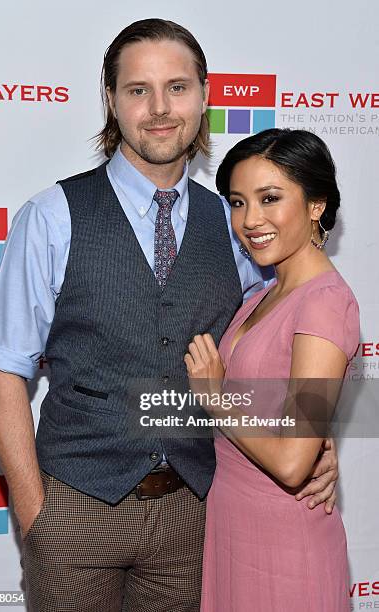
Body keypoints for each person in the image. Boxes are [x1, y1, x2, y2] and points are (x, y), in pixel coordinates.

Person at [0, 19, 338, 612]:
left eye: (177, 87)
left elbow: (280, 340)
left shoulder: (237, 224)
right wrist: (34, 510)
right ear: (111, 101)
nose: (160, 108)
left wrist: (315, 441)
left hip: (192, 511)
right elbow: (2, 369)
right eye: (138, 90)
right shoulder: (51, 216)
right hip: (75, 507)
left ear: (203, 96)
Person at [184, 128, 360, 611]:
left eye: (270, 198)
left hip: (285, 544)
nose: (251, 220)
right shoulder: (263, 293)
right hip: (236, 527)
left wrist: (216, 395)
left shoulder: (325, 303)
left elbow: (291, 462)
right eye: (238, 203)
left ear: (316, 205)